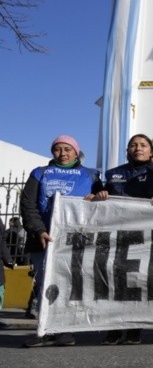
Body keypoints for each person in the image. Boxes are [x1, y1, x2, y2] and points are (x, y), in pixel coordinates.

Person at [20, 135, 102, 347]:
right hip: (44, 240)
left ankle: (65, 330)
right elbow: (28, 205)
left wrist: (96, 199)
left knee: (70, 283)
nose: (63, 153)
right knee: (45, 286)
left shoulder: (91, 176)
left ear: (76, 152)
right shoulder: (40, 174)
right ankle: (45, 329)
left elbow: (103, 204)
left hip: (76, 240)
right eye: (58, 149)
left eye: (68, 149)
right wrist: (39, 230)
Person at [94, 134, 153, 345]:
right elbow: (98, 195)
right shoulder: (113, 173)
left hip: (143, 236)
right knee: (114, 281)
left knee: (137, 281)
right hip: (116, 235)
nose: (138, 148)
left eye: (143, 145)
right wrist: (100, 195)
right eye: (133, 145)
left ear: (151, 150)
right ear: (127, 150)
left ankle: (134, 328)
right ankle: (114, 329)